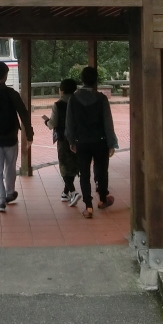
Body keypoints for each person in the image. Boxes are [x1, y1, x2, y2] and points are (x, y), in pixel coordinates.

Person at [65, 66, 118, 219]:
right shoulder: (101, 99)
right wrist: (111, 143)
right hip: (100, 141)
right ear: (96, 80)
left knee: (84, 173)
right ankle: (102, 199)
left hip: (81, 141)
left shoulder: (73, 99)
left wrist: (71, 141)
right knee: (102, 170)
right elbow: (108, 122)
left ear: (82, 80)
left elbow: (70, 123)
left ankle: (88, 206)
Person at [0, 61, 33, 212]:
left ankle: (1, 200)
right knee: (10, 167)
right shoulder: (13, 94)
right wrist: (29, 134)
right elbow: (24, 113)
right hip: (11, 137)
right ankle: (10, 193)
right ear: (6, 75)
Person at [43, 78, 81, 206]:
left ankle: (73, 191)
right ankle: (65, 193)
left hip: (63, 139)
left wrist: (46, 121)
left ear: (62, 90)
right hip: (77, 137)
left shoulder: (58, 104)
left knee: (64, 165)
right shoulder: (79, 102)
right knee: (74, 164)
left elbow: (52, 124)